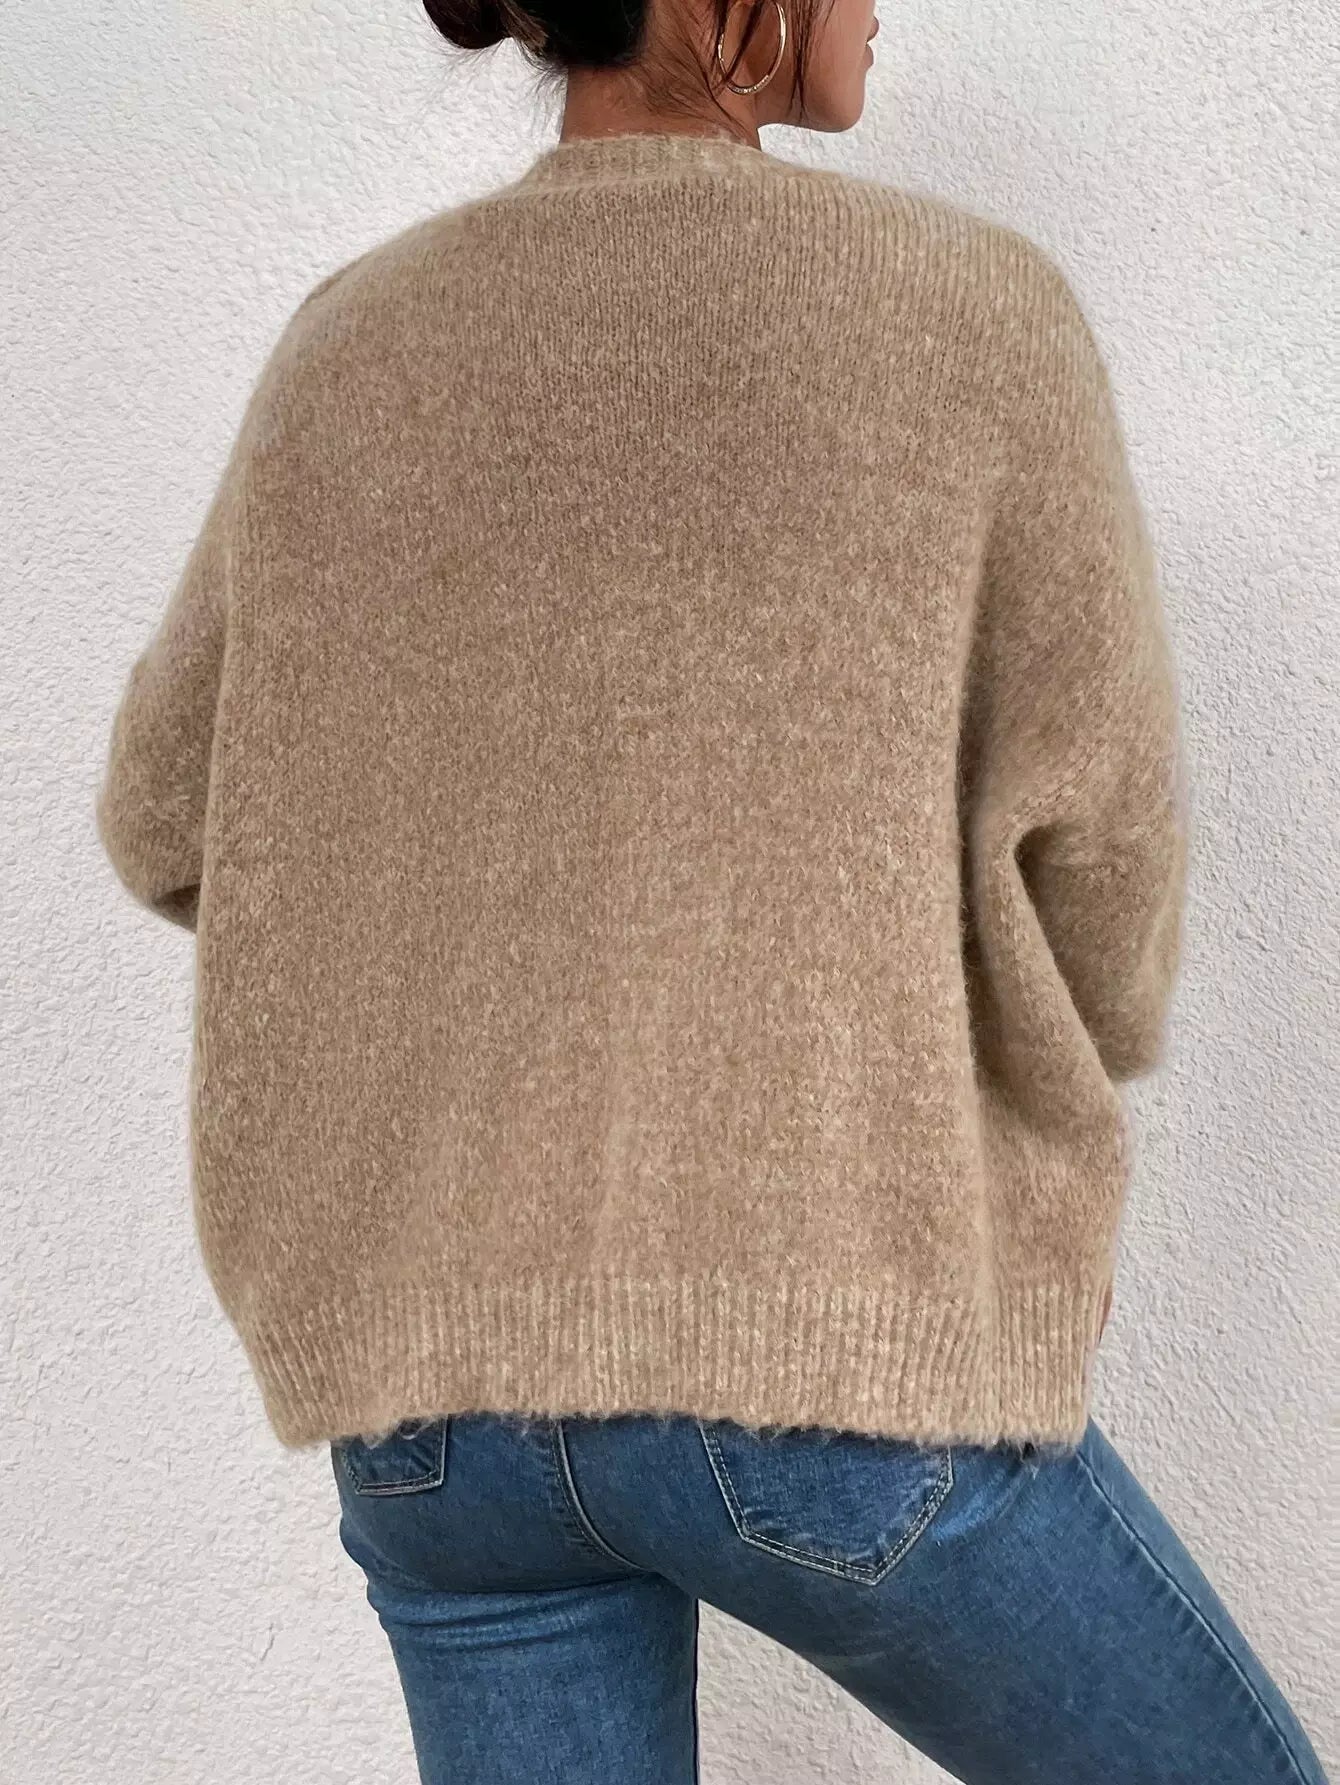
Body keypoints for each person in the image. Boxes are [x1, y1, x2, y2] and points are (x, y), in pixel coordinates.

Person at [94, 1, 1330, 1781]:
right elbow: (1106, 882)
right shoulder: (973, 313)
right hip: (821, 1353)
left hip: (432, 1421)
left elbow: (165, 817)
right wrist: (1032, 1175)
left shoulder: (345, 346)